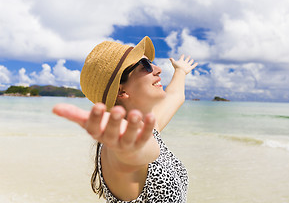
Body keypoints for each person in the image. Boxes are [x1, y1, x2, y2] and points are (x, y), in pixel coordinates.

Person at [52, 36, 197, 202]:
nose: (158, 69)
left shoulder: (147, 126)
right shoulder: (119, 147)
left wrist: (180, 70)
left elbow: (175, 96)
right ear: (121, 92)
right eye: (146, 65)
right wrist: (130, 149)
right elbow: (135, 155)